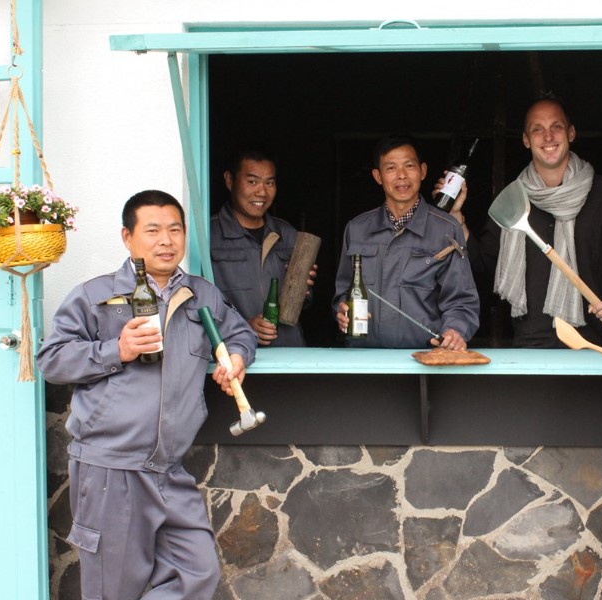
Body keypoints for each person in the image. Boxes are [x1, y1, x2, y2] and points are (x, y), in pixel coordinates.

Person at [37, 190, 257, 600]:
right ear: (127, 237)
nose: (166, 240)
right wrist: (115, 350)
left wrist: (237, 358)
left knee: (198, 573)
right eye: (152, 230)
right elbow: (51, 360)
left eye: (175, 230)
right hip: (111, 469)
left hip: (169, 468)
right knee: (114, 589)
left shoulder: (200, 295)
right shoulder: (95, 296)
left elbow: (239, 331)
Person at [448, 95, 602, 348]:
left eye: (556, 127)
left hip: (596, 346)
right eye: (537, 130)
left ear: (571, 133)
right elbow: (485, 266)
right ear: (526, 140)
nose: (548, 137)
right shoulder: (512, 200)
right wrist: (456, 217)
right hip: (531, 346)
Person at [333, 134, 479, 349]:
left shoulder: (446, 229)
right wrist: (341, 310)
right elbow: (343, 292)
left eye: (409, 166)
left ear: (423, 171)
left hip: (424, 359)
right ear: (378, 176)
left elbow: (462, 300)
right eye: (391, 168)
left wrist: (455, 331)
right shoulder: (357, 229)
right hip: (363, 359)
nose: (401, 176)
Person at [210, 150, 315, 347]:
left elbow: (304, 304)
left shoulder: (287, 233)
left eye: (269, 183)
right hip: (235, 356)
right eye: (252, 182)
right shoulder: (210, 236)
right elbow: (198, 307)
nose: (262, 192)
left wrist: (304, 288)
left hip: (290, 355)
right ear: (229, 180)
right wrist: (244, 326)